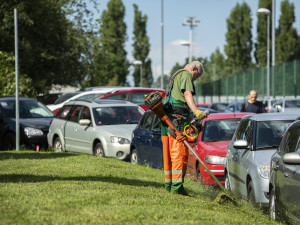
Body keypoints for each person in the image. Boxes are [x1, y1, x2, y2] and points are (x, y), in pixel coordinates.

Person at [161, 61, 206, 196]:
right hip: (177, 120)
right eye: (196, 76)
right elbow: (187, 94)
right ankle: (177, 188)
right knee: (179, 153)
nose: (195, 79)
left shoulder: (175, 76)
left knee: (168, 154)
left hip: (166, 120)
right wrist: (196, 111)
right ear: (194, 69)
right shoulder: (186, 75)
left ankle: (169, 185)